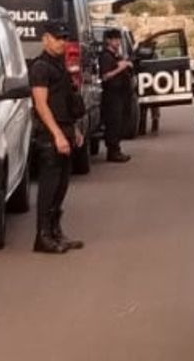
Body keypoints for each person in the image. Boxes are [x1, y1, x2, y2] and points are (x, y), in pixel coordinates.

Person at [29, 22, 85, 254]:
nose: (62, 42)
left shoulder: (60, 66)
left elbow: (67, 102)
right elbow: (41, 105)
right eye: (57, 38)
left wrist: (76, 131)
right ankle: (42, 237)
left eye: (64, 37)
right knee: (49, 187)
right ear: (45, 39)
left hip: (66, 129)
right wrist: (57, 135)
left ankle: (55, 232)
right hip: (50, 135)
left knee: (61, 186)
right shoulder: (40, 67)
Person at [98, 28, 133, 162]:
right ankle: (113, 151)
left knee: (119, 123)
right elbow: (106, 76)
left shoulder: (116, 55)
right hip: (112, 95)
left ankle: (116, 149)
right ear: (108, 41)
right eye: (114, 39)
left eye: (118, 39)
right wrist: (121, 67)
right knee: (113, 123)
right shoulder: (106, 56)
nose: (117, 42)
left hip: (120, 94)